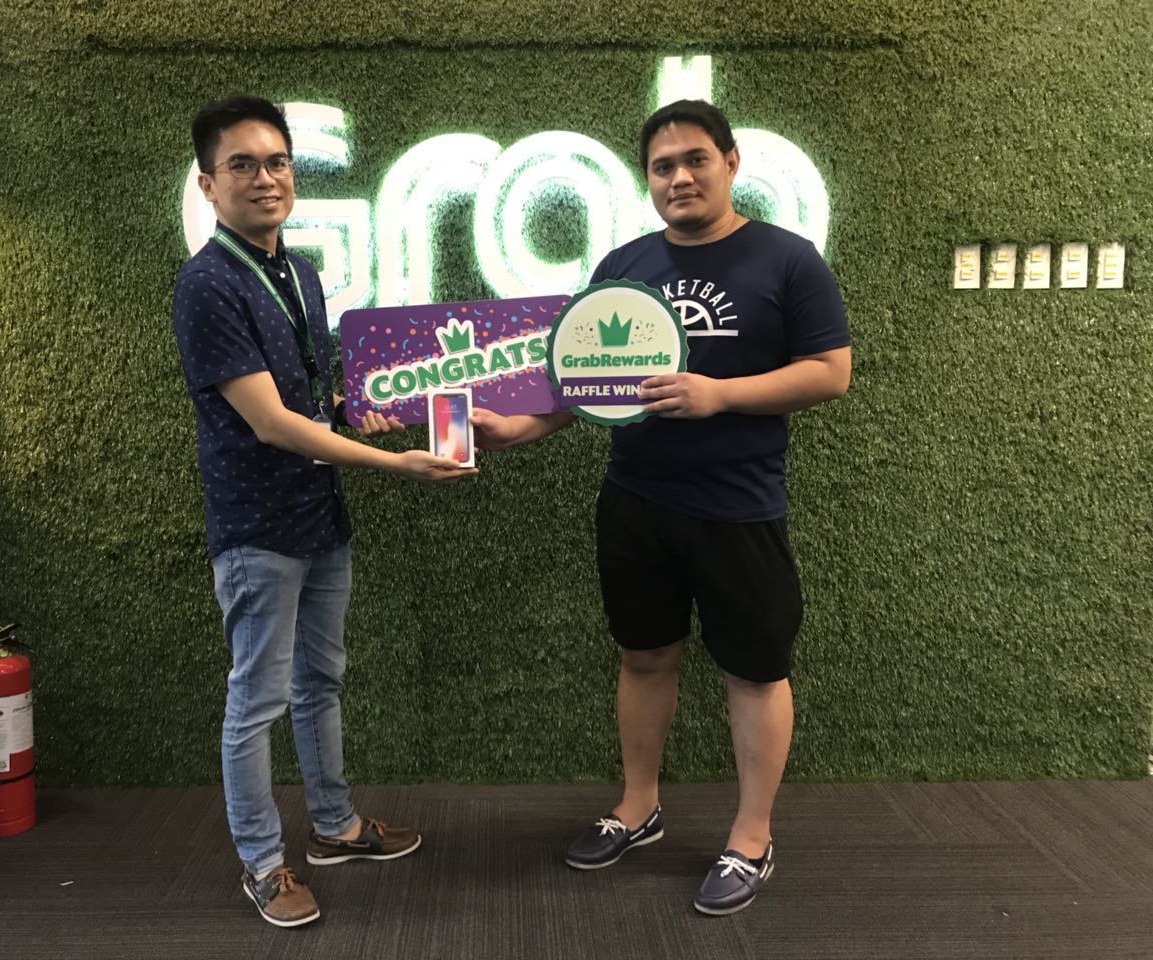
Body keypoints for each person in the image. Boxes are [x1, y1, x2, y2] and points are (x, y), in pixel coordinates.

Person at [471, 99, 850, 916]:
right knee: (643, 657)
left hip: (739, 509)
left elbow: (830, 371)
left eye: (695, 159)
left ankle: (752, 837)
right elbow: (583, 384)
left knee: (754, 671)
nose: (679, 177)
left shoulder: (788, 260)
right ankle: (637, 807)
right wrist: (520, 428)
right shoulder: (625, 264)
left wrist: (721, 395)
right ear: (647, 179)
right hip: (636, 502)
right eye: (662, 166)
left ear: (731, 162)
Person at [172, 95, 475, 928]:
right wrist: (395, 463)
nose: (264, 178)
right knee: (256, 700)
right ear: (208, 183)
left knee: (320, 683)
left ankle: (335, 826)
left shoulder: (300, 272)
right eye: (242, 164)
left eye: (276, 162)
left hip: (319, 515)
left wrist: (357, 410)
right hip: (257, 526)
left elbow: (309, 399)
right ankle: (263, 863)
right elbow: (271, 423)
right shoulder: (207, 284)